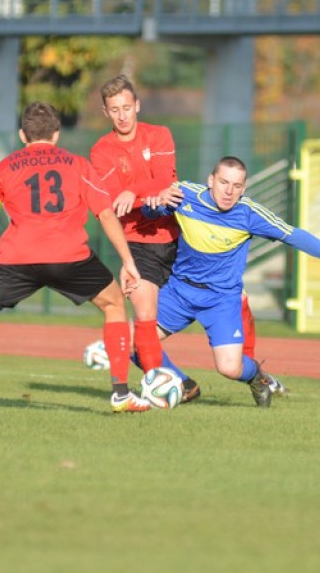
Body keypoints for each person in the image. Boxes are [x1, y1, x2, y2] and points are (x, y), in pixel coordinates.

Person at [0, 101, 151, 414]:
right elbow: (105, 214)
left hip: (16, 261)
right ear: (57, 134)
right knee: (115, 304)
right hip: (69, 256)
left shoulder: (4, 168)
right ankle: (120, 393)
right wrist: (128, 262)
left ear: (23, 134)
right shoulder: (78, 165)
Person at [89, 75, 276, 403]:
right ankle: (178, 385)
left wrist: (135, 192)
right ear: (106, 112)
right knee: (143, 328)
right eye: (114, 109)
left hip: (179, 239)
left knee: (233, 294)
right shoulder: (102, 151)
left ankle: (247, 362)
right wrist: (141, 199)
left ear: (137, 106)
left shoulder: (159, 135)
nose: (122, 115)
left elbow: (167, 185)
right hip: (138, 246)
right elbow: (114, 200)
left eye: (127, 107)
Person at [143, 156, 320, 407]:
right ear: (211, 180)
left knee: (230, 368)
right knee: (138, 343)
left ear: (244, 188)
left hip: (220, 300)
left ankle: (257, 377)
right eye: (223, 182)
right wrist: (154, 205)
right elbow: (151, 213)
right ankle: (183, 385)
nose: (229, 190)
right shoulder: (185, 194)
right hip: (179, 291)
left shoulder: (249, 213)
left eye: (237, 185)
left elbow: (293, 235)